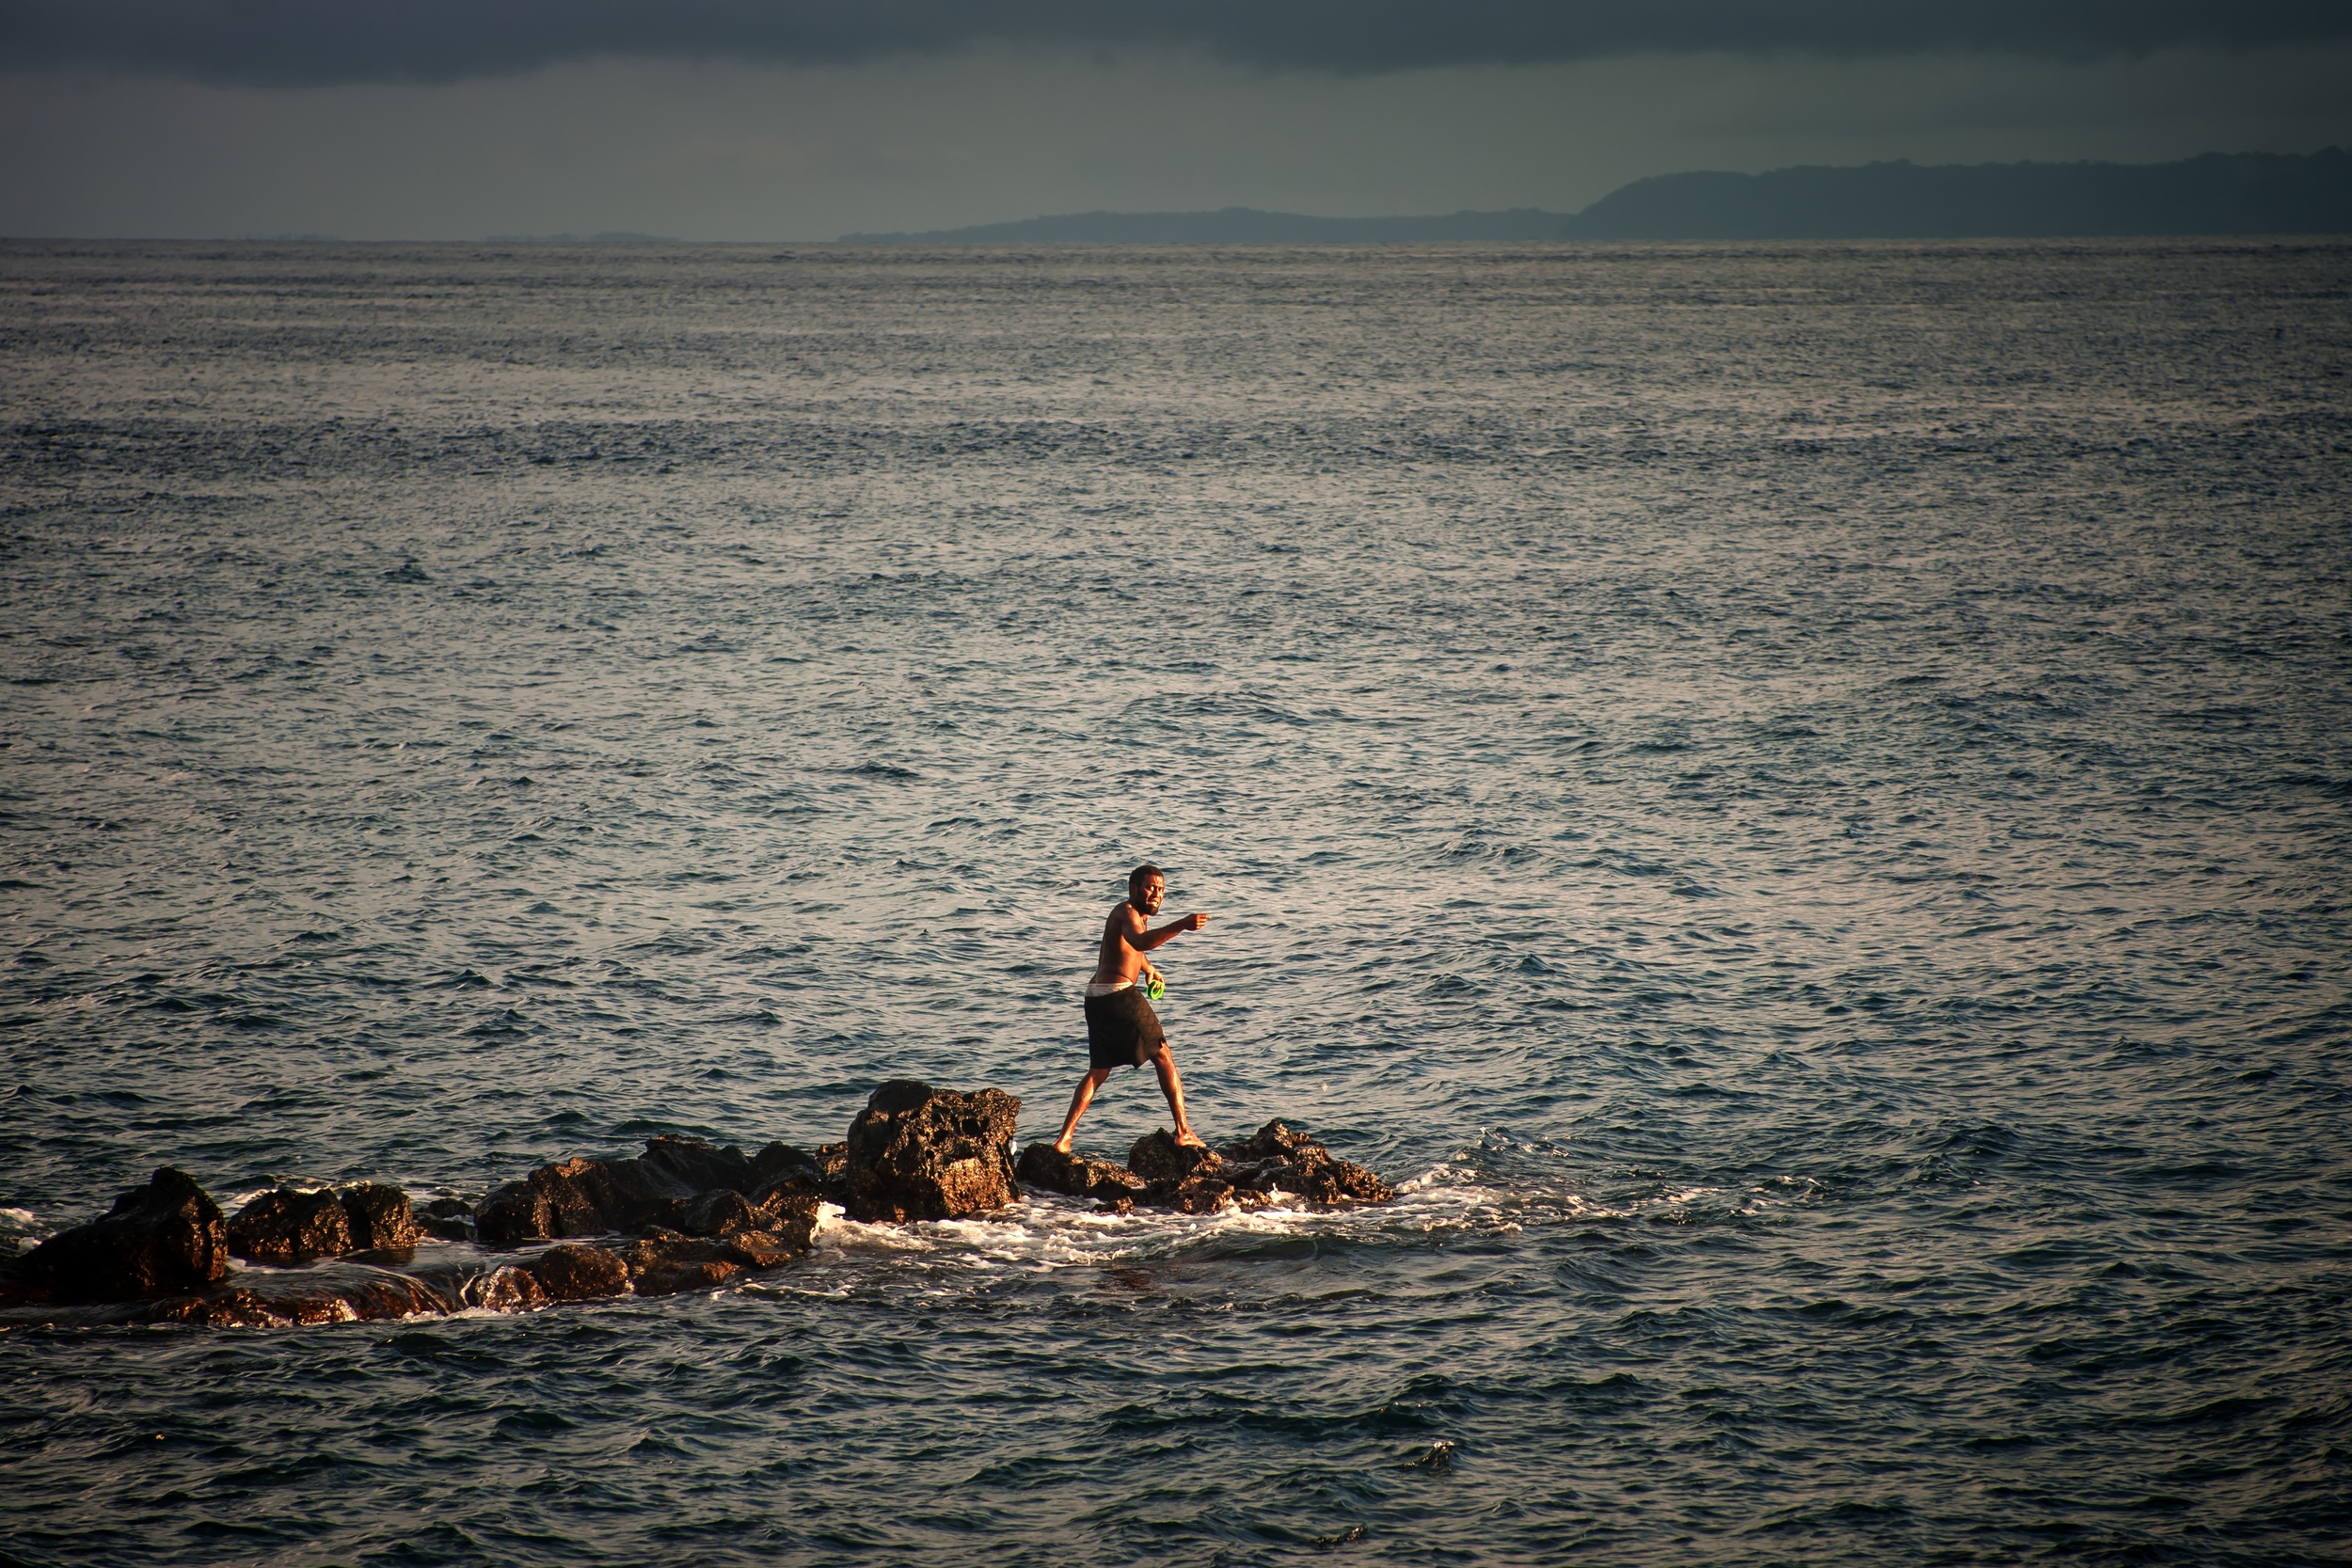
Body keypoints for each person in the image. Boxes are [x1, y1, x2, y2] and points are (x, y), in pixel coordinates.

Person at [1053, 863, 1212, 1152]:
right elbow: (1140, 941)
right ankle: (1184, 1131)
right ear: (1134, 888)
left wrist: (1148, 969)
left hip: (1096, 998)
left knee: (1099, 1070)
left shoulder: (1133, 916)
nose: (1157, 894)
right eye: (1151, 888)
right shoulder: (1126, 911)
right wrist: (1181, 925)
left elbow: (1127, 950)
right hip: (1118, 995)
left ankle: (1064, 1141)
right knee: (1162, 1054)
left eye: (1161, 890)